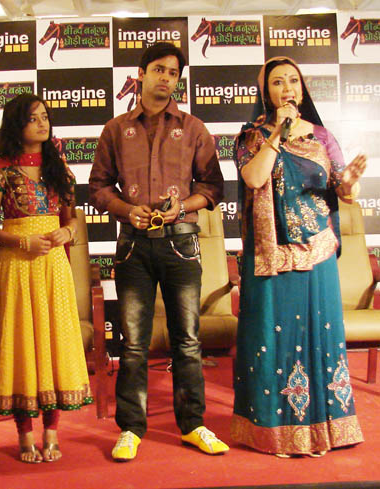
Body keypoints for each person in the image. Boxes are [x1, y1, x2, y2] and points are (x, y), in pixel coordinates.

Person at [89, 42, 228, 461]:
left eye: (173, 72)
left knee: (187, 340)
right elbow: (98, 187)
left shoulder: (194, 128)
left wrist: (181, 208)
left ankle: (193, 425)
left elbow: (213, 187)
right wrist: (126, 210)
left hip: (181, 243)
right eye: (159, 69)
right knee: (134, 343)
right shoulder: (116, 129)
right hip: (133, 246)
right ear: (141, 73)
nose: (166, 78)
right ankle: (131, 428)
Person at [230, 56, 366, 457]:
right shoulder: (251, 136)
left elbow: (342, 189)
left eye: (293, 80)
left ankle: (328, 429)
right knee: (273, 342)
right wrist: (278, 133)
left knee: (321, 339)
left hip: (317, 253)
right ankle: (275, 432)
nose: (286, 88)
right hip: (271, 257)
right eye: (277, 82)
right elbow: (255, 178)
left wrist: (350, 184)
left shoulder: (321, 136)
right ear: (265, 92)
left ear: (302, 89)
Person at [0, 93, 92, 464]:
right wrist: (20, 240)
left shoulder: (60, 170)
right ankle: (25, 435)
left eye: (45, 116)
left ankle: (52, 433)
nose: (42, 123)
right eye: (33, 118)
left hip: (53, 265)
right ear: (17, 125)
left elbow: (71, 219)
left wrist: (67, 232)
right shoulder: (1, 173)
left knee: (53, 343)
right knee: (22, 345)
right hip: (17, 264)